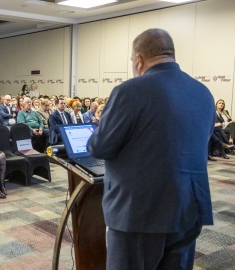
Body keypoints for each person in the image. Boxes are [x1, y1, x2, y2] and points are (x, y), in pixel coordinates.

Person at [87, 28, 214, 270]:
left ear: (138, 59)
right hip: (188, 208)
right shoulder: (203, 93)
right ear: (171, 54)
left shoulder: (129, 90)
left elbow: (100, 146)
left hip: (140, 213)